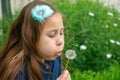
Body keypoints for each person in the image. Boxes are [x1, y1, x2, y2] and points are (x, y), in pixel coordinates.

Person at [0, 0, 71, 80]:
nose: (60, 41)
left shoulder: (55, 60)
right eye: (52, 35)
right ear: (31, 37)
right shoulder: (18, 73)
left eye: (61, 33)